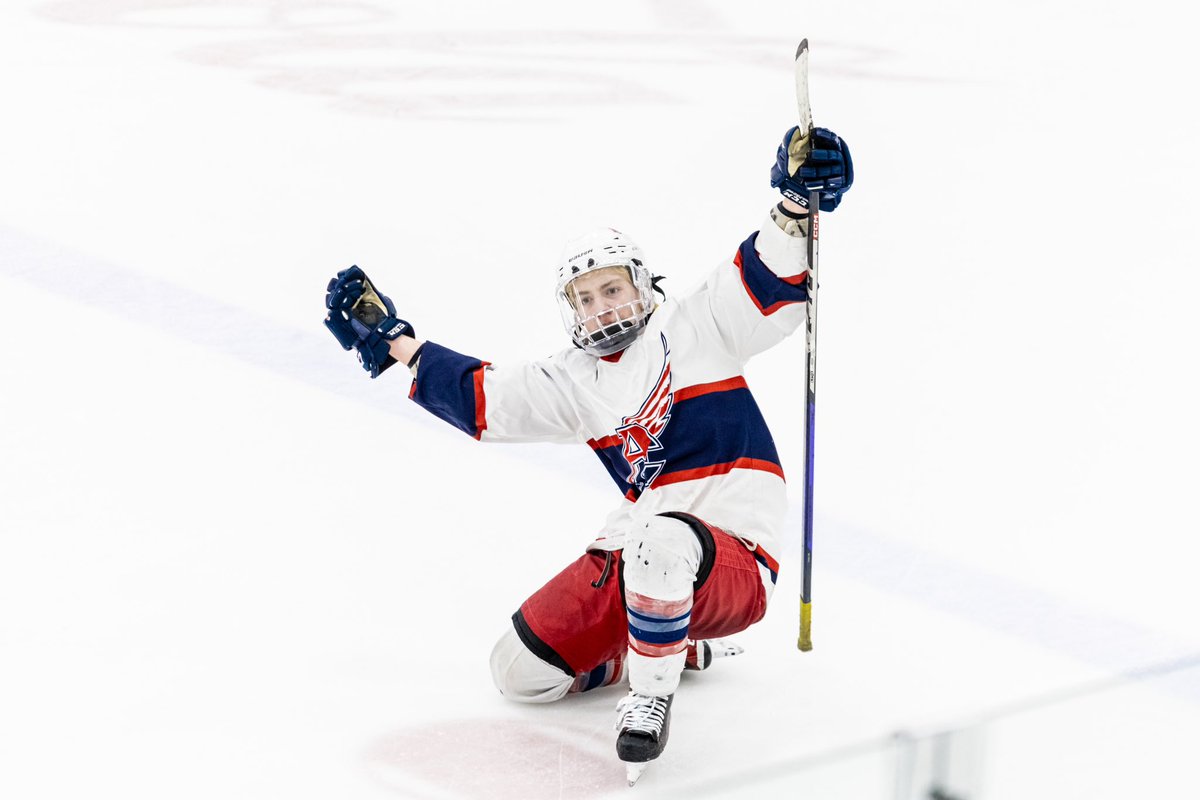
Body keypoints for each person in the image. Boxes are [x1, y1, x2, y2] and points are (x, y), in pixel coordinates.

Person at [323, 126, 853, 782]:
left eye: (611, 289)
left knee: (661, 538)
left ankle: (649, 699)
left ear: (640, 285)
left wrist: (798, 206)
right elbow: (487, 398)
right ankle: (672, 649)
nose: (600, 307)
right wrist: (395, 343)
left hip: (734, 558)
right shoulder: (574, 380)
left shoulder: (698, 323)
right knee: (519, 672)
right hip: (643, 555)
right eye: (584, 297)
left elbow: (767, 278)